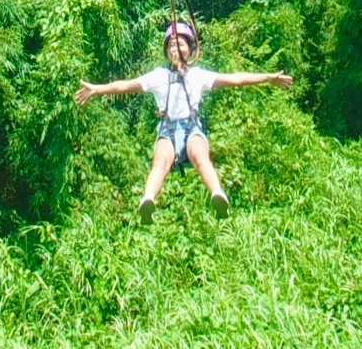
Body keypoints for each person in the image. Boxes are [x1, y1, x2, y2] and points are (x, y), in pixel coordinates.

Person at [74, 21, 293, 224]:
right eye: (171, 45)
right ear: (166, 51)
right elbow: (123, 86)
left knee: (200, 157)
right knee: (161, 162)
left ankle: (217, 194)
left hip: (192, 126)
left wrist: (268, 78)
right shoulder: (158, 76)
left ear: (190, 49)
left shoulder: (198, 75)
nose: (174, 48)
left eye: (180, 44)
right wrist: (97, 89)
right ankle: (147, 200)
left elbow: (236, 79)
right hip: (167, 128)